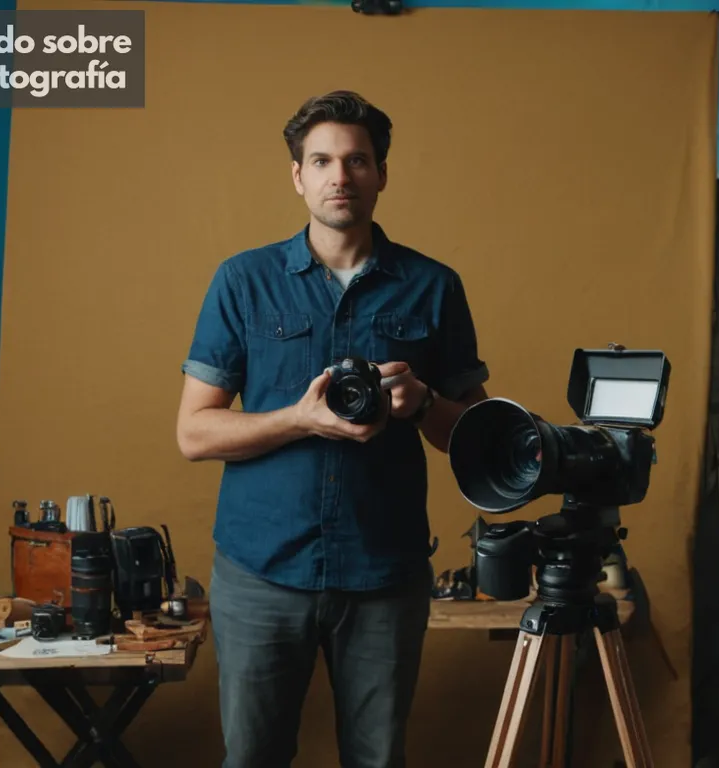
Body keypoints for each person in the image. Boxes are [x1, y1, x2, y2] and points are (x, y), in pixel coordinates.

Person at [175, 90, 490, 768]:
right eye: (321, 161)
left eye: (357, 161)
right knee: (253, 760)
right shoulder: (243, 281)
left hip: (384, 572)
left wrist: (422, 398)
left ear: (381, 172)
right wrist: (300, 417)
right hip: (261, 572)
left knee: (377, 761)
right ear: (298, 175)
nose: (339, 177)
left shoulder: (434, 287)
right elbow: (193, 434)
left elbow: (477, 440)